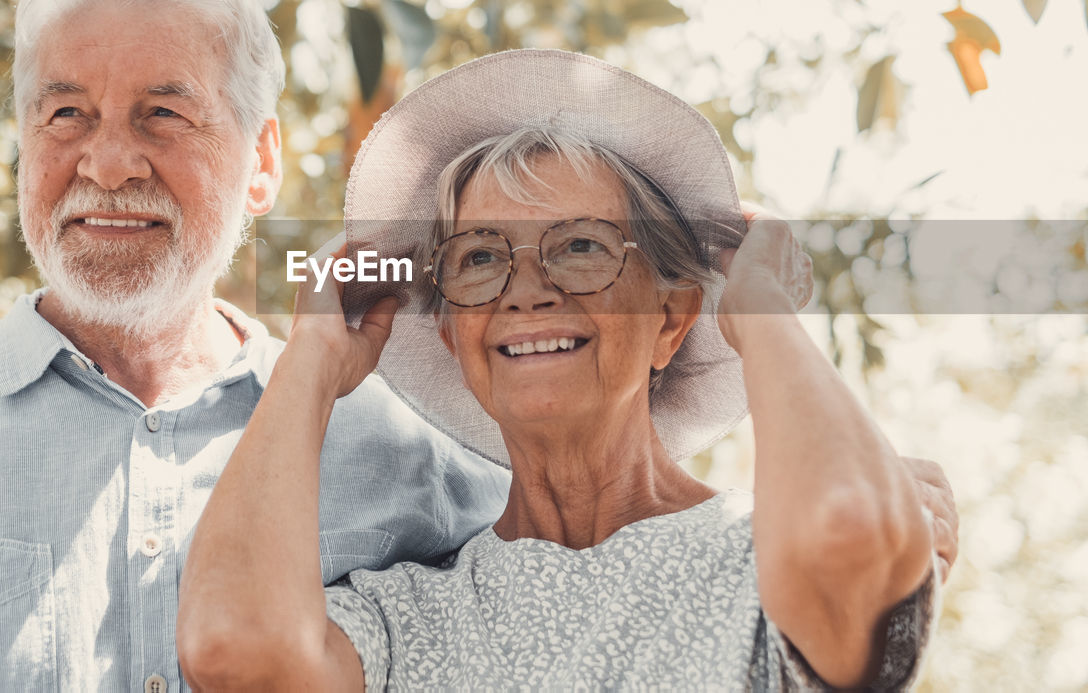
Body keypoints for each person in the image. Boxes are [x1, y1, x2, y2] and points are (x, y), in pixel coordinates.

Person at [0, 0, 509, 690]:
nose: (107, 165)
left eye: (164, 114)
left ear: (262, 163)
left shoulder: (407, 454)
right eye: (66, 114)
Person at [178, 49, 957, 690]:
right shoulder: (409, 615)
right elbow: (231, 647)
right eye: (481, 257)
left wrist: (759, 306)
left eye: (581, 245)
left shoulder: (757, 559)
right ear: (453, 333)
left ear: (672, 318)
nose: (526, 288)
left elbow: (852, 528)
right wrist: (312, 357)